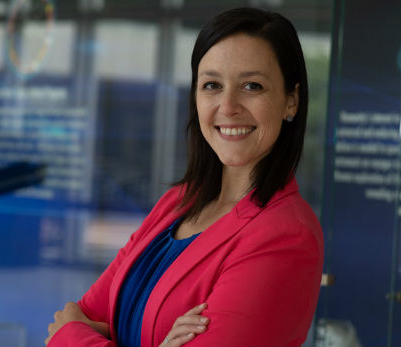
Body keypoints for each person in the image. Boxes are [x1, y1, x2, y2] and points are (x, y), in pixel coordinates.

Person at [45, 7, 323, 347]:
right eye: (212, 85)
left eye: (252, 85)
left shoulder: (285, 235)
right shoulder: (178, 202)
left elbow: (67, 329)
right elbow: (84, 311)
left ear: (291, 101)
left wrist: (72, 337)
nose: (228, 105)